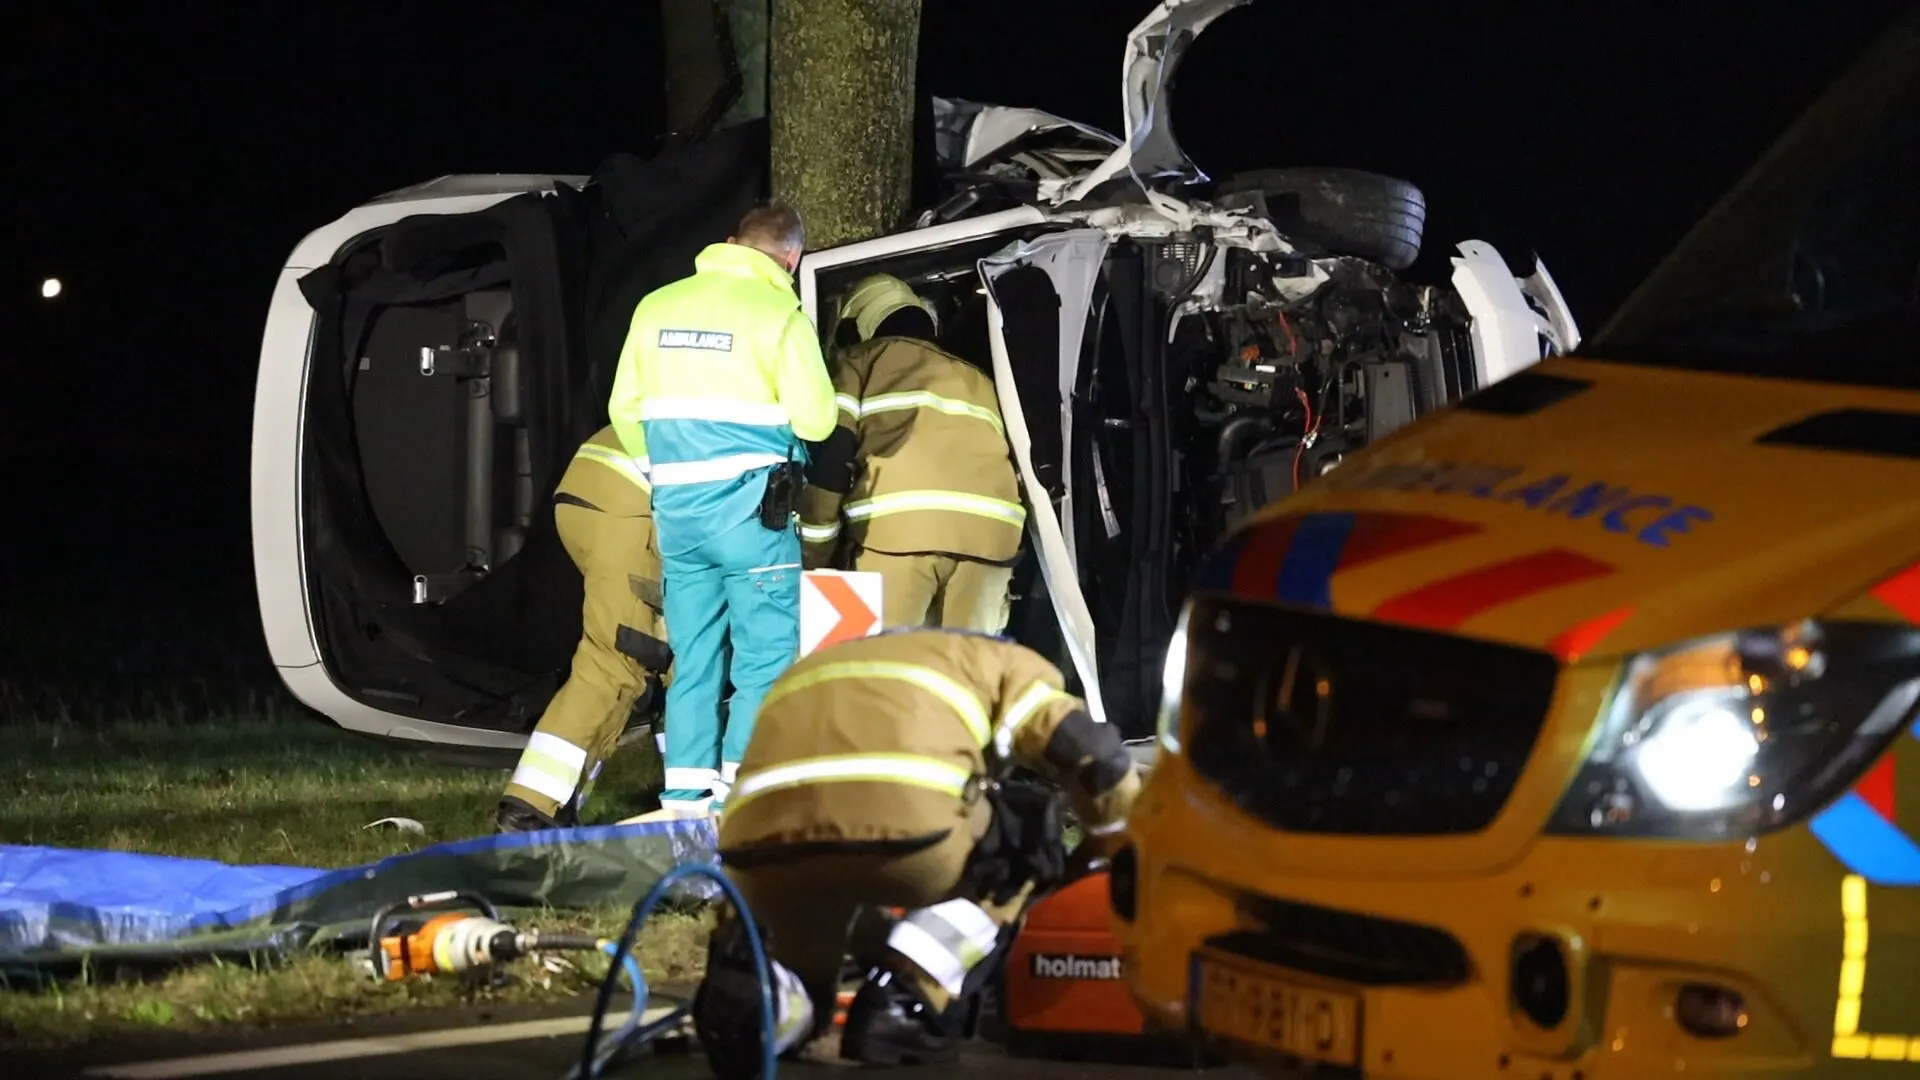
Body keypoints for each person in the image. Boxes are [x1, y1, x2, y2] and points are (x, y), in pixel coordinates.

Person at [688, 629, 1142, 1077]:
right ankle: (907, 996)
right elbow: (1097, 756)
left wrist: (875, 943)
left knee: (806, 981)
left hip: (756, 855)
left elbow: (842, 864)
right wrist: (1111, 842)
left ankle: (768, 998)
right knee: (1024, 835)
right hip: (905, 834)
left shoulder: (818, 667)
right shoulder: (1007, 665)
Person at [608, 200, 838, 817]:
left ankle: (682, 796)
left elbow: (624, 410)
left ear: (731, 241)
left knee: (694, 657)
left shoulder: (655, 306)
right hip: (752, 515)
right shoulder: (779, 313)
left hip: (679, 513)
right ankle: (740, 792)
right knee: (764, 657)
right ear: (790, 258)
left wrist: (666, 472)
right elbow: (818, 420)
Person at [798, 273, 1026, 633]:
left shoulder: (859, 361)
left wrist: (814, 555)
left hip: (894, 535)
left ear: (858, 324)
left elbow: (830, 461)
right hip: (990, 543)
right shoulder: (978, 378)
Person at [496, 425, 672, 834]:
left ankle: (685, 794)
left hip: (598, 484)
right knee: (622, 659)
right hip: (634, 502)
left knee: (675, 656)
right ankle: (532, 811)